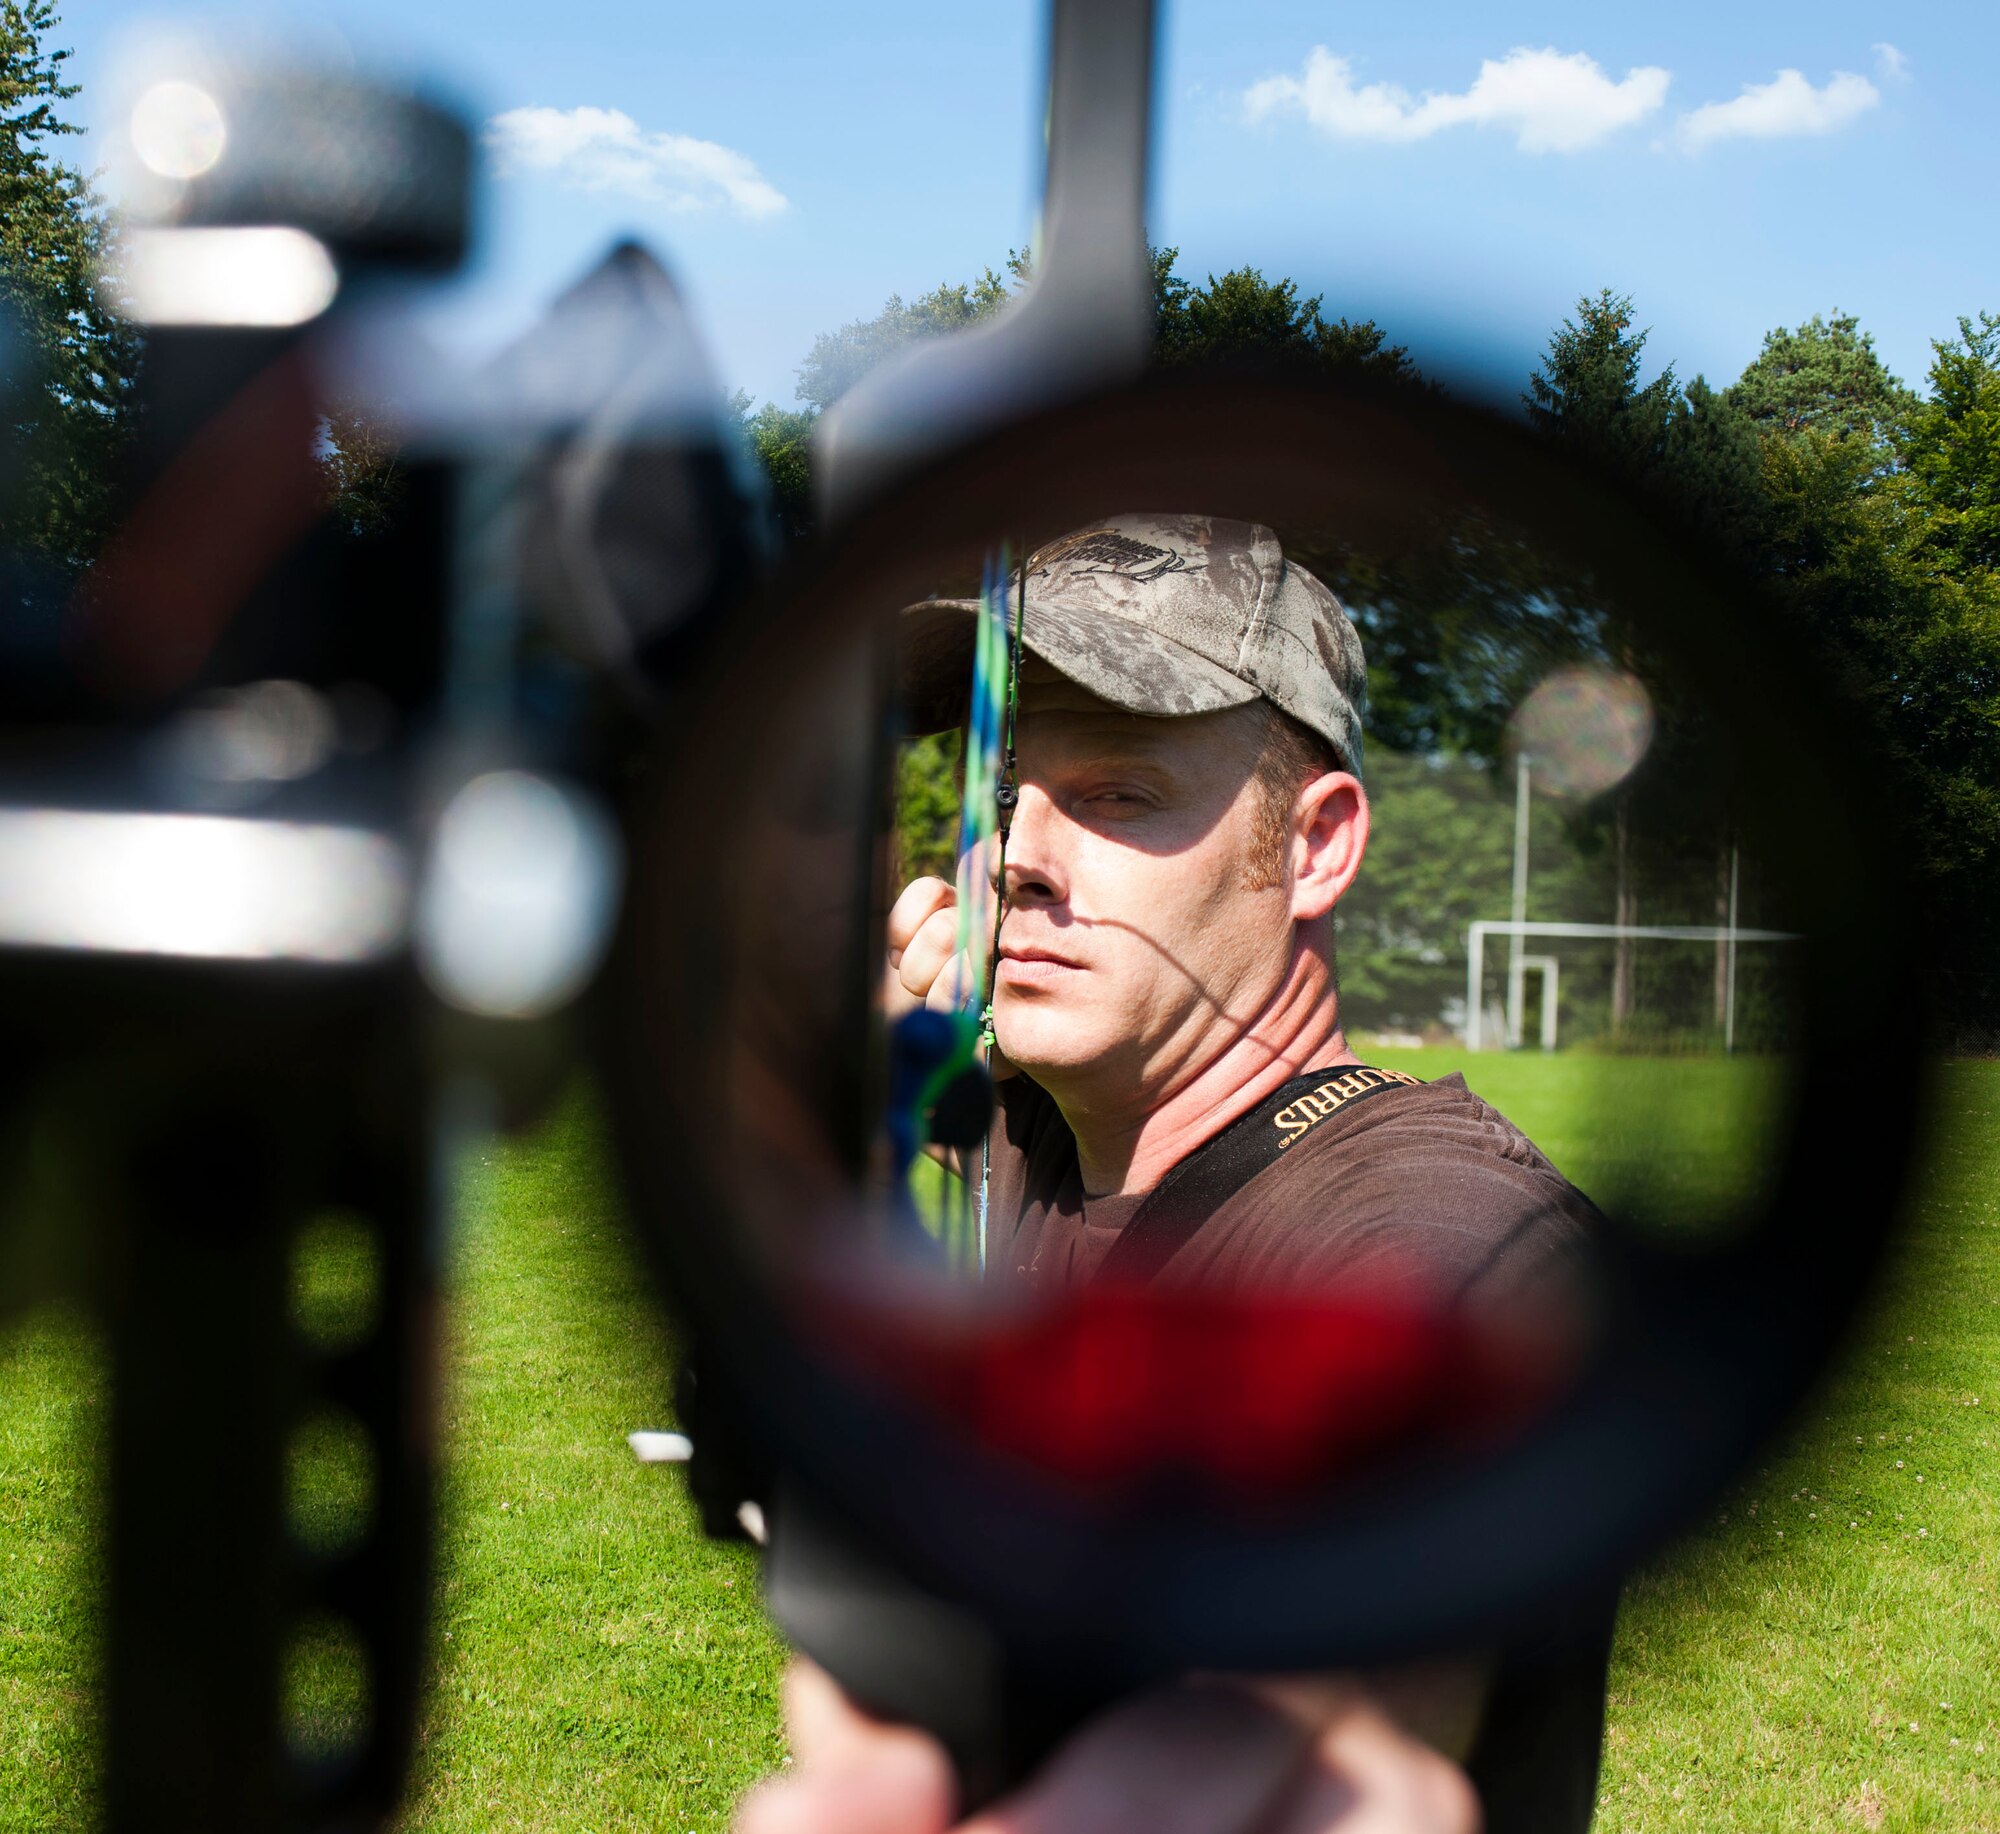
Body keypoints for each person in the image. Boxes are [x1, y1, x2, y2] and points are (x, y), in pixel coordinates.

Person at [741, 514, 1614, 1834]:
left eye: (1118, 792)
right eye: (1009, 790)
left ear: (1313, 846)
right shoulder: (1035, 1122)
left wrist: (1253, 1736)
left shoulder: (1448, 1229)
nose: (1015, 857)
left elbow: (1370, 1602)